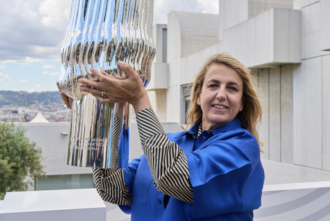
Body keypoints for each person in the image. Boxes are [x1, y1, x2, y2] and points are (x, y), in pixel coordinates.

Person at [59, 53, 265, 220]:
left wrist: (139, 98)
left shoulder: (243, 148)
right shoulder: (171, 142)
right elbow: (113, 190)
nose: (221, 94)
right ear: (199, 96)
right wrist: (96, 112)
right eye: (213, 85)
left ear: (242, 103)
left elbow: (173, 176)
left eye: (232, 88)